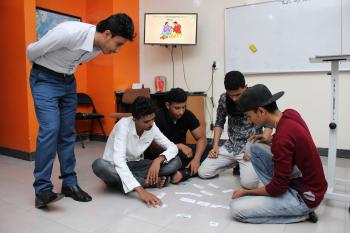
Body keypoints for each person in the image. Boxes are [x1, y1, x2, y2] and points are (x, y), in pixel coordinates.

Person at [27, 13, 135, 209]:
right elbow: (32, 52)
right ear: (108, 34)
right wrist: (45, 72)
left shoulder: (99, 46)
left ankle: (69, 184)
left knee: (68, 133)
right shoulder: (69, 32)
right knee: (50, 130)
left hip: (68, 82)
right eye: (118, 44)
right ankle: (42, 190)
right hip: (44, 78)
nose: (117, 50)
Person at [230, 84, 327, 224]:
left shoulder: (282, 139)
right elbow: (292, 140)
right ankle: (280, 200)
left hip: (306, 198)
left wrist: (246, 192)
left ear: (261, 111)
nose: (249, 121)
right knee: (253, 146)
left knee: (236, 209)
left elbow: (278, 187)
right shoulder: (290, 114)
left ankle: (302, 215)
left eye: (249, 116)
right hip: (307, 184)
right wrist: (270, 138)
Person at [92, 97, 181, 207]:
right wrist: (142, 191)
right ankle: (146, 182)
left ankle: (124, 184)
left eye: (153, 119)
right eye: (146, 121)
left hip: (136, 166)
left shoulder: (152, 127)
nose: (151, 124)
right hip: (114, 167)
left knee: (176, 161)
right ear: (135, 119)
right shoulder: (123, 126)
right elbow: (119, 162)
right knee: (99, 165)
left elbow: (173, 148)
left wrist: (158, 160)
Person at [198, 71, 272, 189]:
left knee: (249, 184)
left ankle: (246, 164)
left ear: (245, 87)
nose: (234, 98)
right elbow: (219, 122)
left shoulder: (256, 96)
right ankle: (235, 163)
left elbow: (269, 122)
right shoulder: (224, 98)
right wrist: (215, 147)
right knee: (203, 172)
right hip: (231, 146)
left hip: (250, 146)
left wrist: (257, 148)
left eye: (238, 94)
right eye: (230, 95)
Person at [145, 88, 209, 183]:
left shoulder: (187, 115)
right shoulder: (157, 117)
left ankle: (182, 172)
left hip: (182, 154)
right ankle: (183, 171)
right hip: (163, 154)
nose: (181, 112)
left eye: (183, 107)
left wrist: (196, 159)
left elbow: (201, 138)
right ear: (167, 105)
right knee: (173, 160)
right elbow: (154, 147)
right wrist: (179, 146)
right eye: (177, 108)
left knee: (209, 149)